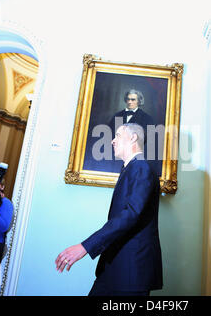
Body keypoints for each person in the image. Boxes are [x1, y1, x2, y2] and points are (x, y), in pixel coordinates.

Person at [56, 123, 163, 296]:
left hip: (131, 270)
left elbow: (131, 215)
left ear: (133, 138)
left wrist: (86, 246)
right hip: (117, 266)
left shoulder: (141, 167)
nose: (113, 141)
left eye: (118, 135)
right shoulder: (130, 168)